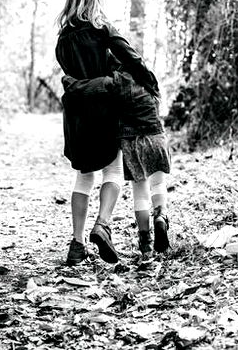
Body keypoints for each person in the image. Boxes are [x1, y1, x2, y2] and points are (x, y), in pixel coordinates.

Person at [56, 0, 160, 265]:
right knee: (112, 172)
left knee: (84, 175)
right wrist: (150, 83)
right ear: (93, 2)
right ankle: (102, 225)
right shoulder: (103, 30)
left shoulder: (63, 39)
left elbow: (69, 75)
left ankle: (76, 244)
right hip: (104, 110)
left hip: (76, 114)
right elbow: (131, 57)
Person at [62, 67, 171, 260]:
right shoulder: (149, 82)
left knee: (138, 189)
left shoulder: (118, 82)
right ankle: (160, 215)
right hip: (157, 138)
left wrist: (72, 83)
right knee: (157, 184)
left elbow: (101, 87)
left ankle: (144, 241)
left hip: (132, 142)